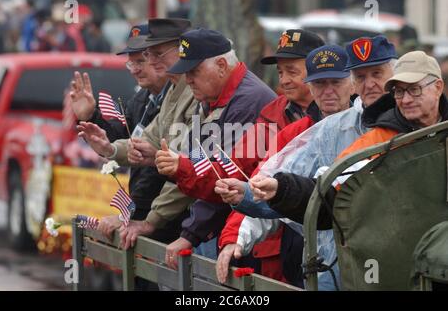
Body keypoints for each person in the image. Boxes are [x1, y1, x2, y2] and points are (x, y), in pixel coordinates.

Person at [215, 35, 398, 290]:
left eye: (335, 82)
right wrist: (242, 209)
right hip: (327, 266)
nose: (328, 91)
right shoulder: (317, 131)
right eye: (320, 84)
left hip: (392, 261)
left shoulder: (410, 120)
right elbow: (273, 182)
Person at [256, 50, 448, 231]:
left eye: (414, 90)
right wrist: (282, 189)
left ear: (438, 87)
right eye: (399, 92)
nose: (405, 100)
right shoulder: (379, 140)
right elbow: (330, 192)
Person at [154, 28, 277, 269]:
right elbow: (201, 160)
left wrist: (190, 234)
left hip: (243, 237)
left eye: (194, 71)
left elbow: (224, 178)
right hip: (219, 230)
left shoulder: (248, 101)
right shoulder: (211, 98)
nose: (188, 79)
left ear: (222, 65)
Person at [75, 18, 196, 247]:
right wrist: (92, 117)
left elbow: (164, 167)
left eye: (145, 58)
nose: (137, 69)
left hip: (173, 220)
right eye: (132, 63)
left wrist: (133, 215)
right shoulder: (145, 98)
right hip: (153, 217)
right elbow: (128, 142)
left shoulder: (186, 91)